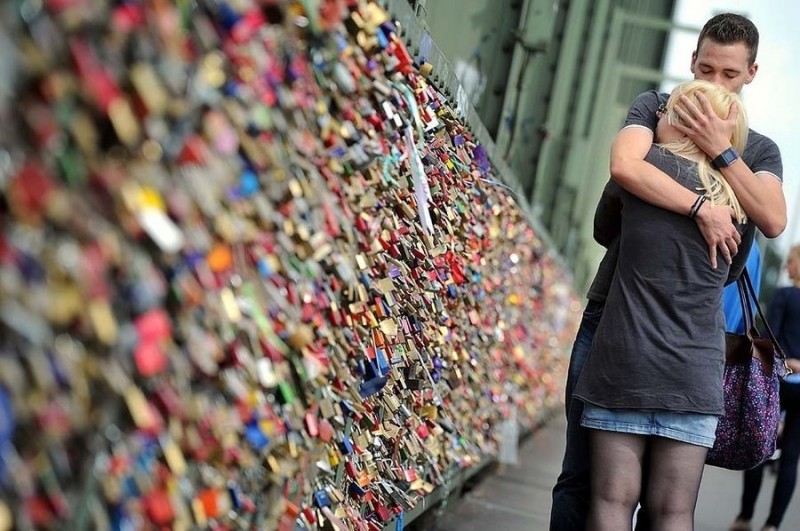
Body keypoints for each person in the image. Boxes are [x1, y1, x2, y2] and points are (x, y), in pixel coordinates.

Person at [550, 13, 786, 531]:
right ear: (691, 61)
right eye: (705, 69)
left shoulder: (758, 149)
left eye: (728, 74)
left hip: (657, 333)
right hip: (612, 315)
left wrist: (721, 149)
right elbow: (622, 167)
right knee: (583, 478)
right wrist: (702, 206)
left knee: (616, 497)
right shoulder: (655, 109)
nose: (712, 84)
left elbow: (771, 218)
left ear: (751, 73)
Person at [730, 245, 800, 531]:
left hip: (781, 383)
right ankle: (773, 525)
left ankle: (745, 517)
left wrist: (789, 361)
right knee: (792, 457)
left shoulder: (785, 296)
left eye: (791, 262)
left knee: (760, 445)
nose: (786, 267)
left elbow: (769, 339)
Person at [723, 242, 762, 333]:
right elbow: (748, 316)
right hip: (726, 338)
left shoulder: (714, 231)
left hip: (690, 329)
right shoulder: (754, 251)